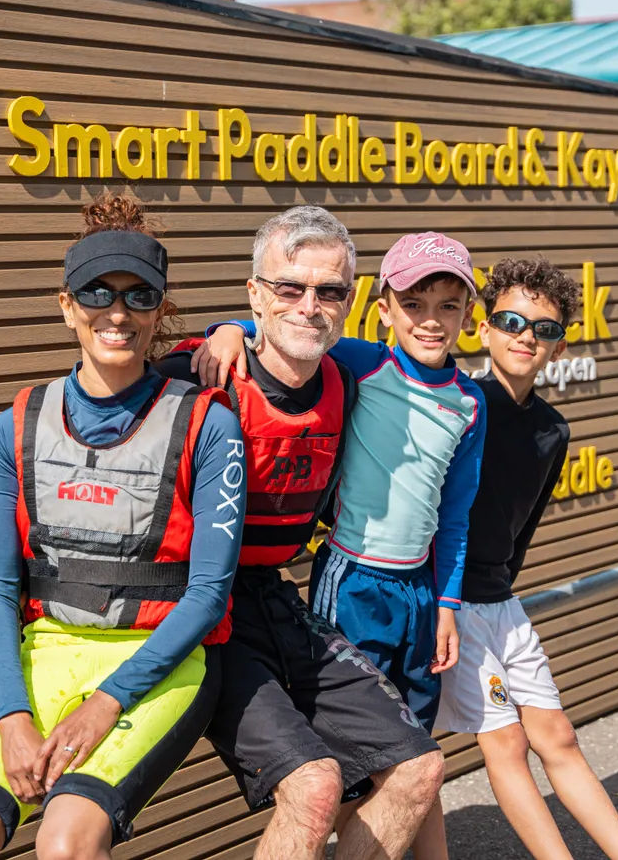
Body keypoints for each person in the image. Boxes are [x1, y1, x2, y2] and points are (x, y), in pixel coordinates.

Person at [0, 192, 245, 860]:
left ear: (160, 310)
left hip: (158, 661)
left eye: (138, 295)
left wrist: (107, 702)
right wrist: (10, 717)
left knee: (65, 842)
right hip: (44, 656)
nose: (116, 312)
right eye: (96, 292)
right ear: (66, 305)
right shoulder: (14, 427)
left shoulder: (209, 423)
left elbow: (208, 594)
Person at [163, 207, 445, 860]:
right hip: (198, 608)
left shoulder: (351, 381)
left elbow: (430, 363)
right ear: (255, 293)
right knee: (316, 787)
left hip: (276, 596)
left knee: (419, 770)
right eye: (289, 287)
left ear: (351, 302)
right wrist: (224, 331)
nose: (309, 305)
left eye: (329, 291)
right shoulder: (198, 378)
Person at [435, 258, 618, 860]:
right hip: (451, 601)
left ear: (557, 345)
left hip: (502, 603)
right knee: (503, 744)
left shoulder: (554, 430)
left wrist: (502, 593)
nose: (526, 335)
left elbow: (521, 532)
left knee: (558, 735)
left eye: (544, 328)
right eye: (510, 320)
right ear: (483, 328)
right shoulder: (459, 405)